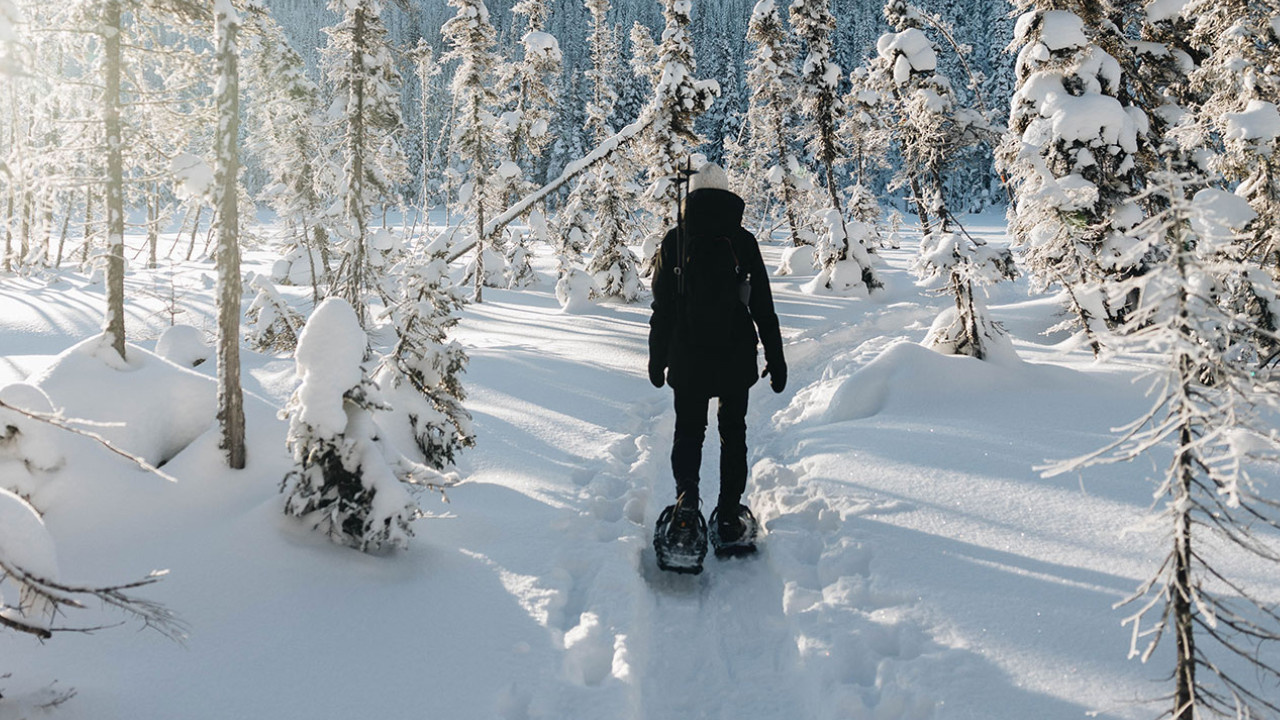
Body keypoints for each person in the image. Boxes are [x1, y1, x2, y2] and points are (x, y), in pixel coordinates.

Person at [648, 161, 787, 574]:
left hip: (688, 359)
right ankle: (728, 516)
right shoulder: (743, 240)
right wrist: (775, 358)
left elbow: (662, 310)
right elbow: (763, 305)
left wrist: (657, 358)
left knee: (689, 432)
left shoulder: (675, 239)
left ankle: (686, 508)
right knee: (733, 434)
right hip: (735, 358)